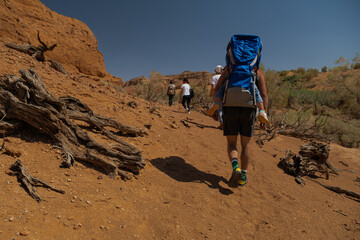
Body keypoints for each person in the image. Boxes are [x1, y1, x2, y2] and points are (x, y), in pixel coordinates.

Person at [214, 65, 269, 188]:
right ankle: (243, 176)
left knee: (231, 144)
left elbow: (217, 89)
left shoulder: (229, 69)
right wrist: (263, 115)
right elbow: (263, 94)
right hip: (249, 109)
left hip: (230, 107)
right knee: (245, 144)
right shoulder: (257, 71)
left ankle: (236, 168)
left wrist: (216, 109)